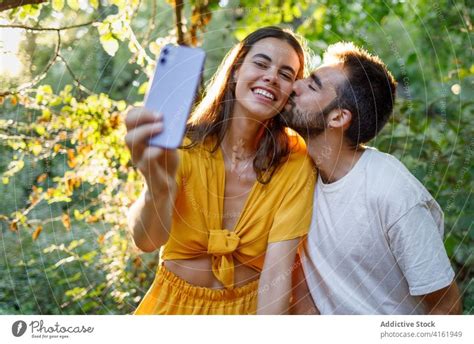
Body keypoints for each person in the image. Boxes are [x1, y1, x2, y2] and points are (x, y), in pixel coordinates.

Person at [125, 26, 315, 315]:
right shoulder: (183, 146)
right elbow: (147, 240)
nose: (271, 77)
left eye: (286, 74)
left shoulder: (294, 161)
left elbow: (277, 277)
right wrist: (156, 190)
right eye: (261, 64)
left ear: (290, 92)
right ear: (237, 70)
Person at [284, 42, 462, 315]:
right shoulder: (299, 174)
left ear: (338, 117)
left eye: (312, 85)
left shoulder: (392, 192)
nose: (295, 86)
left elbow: (446, 307)